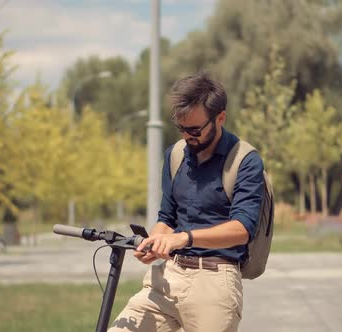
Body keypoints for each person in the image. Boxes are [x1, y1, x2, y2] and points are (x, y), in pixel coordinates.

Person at [109, 73, 265, 332]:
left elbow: (242, 229)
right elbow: (167, 218)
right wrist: (155, 243)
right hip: (168, 277)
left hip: (215, 281)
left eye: (194, 130)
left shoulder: (245, 161)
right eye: (180, 128)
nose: (186, 136)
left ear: (220, 118)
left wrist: (184, 239)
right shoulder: (175, 155)